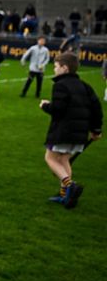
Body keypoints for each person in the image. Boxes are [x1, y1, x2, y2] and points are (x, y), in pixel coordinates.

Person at [39, 52, 102, 208]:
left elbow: (58, 109)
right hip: (80, 133)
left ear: (64, 68)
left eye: (55, 66)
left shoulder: (60, 85)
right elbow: (96, 108)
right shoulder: (85, 86)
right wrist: (96, 129)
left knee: (51, 158)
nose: (54, 70)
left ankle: (70, 185)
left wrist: (45, 105)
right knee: (64, 160)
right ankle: (65, 196)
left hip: (64, 131)